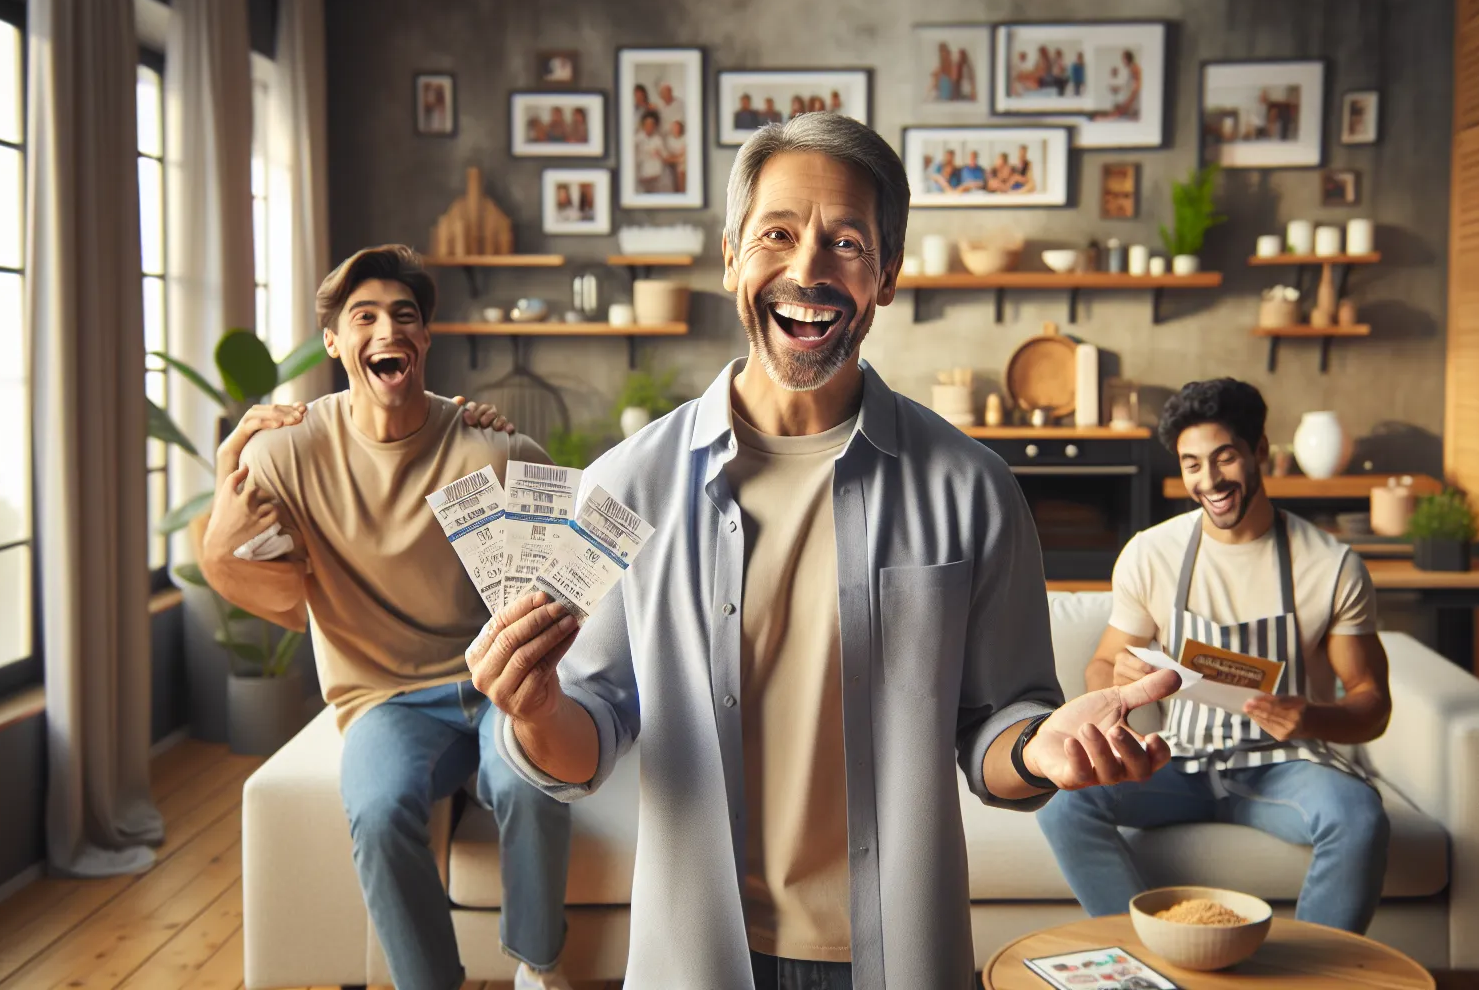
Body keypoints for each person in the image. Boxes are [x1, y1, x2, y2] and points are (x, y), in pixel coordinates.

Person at [466, 113, 1181, 989]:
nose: (807, 270)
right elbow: (589, 735)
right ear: (731, 257)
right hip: (698, 960)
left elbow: (996, 727)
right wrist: (536, 709)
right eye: (776, 234)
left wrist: (1039, 749)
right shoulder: (624, 486)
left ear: (887, 276)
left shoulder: (973, 487)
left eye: (846, 242)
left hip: (899, 957)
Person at [199, 245, 576, 990]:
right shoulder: (288, 454)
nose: (387, 329)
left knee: (530, 784)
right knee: (376, 810)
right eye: (364, 317)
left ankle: (539, 963)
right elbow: (243, 572)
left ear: (425, 339)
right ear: (334, 342)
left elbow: (570, 549)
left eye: (405, 315)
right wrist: (222, 492)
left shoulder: (483, 446)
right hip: (385, 699)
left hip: (496, 683)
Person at [1037, 378, 1393, 934]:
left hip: (1284, 765)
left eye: (1224, 458)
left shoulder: (1331, 565)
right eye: (1192, 464)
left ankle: (1321, 972)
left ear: (1260, 451)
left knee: (1360, 816)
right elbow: (1102, 666)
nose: (1210, 480)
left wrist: (1312, 717)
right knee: (1064, 803)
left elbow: (1374, 705)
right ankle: (1151, 956)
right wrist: (1118, 682)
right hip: (1179, 761)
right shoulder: (1151, 553)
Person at [634, 111, 668, 194]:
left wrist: (659, 154)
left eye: (651, 125)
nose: (649, 127)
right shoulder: (637, 138)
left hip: (655, 173)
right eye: (647, 125)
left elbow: (665, 155)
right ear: (643, 125)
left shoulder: (658, 139)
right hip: (640, 172)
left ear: (654, 126)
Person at [664, 118, 689, 193]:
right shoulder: (668, 140)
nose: (676, 129)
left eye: (678, 127)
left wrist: (679, 157)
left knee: (681, 167)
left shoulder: (685, 138)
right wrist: (676, 158)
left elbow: (685, 153)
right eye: (674, 127)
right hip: (672, 162)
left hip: (682, 163)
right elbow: (667, 156)